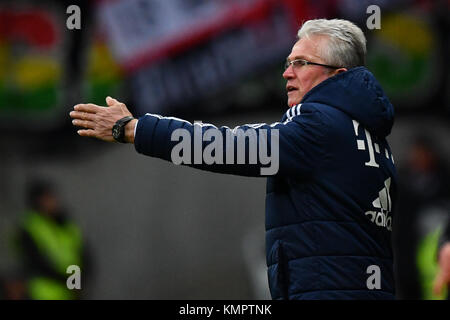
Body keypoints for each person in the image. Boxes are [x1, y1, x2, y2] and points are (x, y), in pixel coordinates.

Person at [70, 19, 397, 299]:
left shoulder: (321, 124)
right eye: (288, 61)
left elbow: (231, 147)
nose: (287, 73)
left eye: (301, 63)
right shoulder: (369, 135)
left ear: (336, 74)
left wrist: (134, 129)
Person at [13, 179, 91, 300]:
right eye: (47, 198)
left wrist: (80, 280)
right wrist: (70, 281)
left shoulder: (65, 223)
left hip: (70, 292)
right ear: (37, 201)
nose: (53, 201)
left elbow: (83, 253)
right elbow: (37, 263)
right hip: (45, 294)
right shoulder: (29, 227)